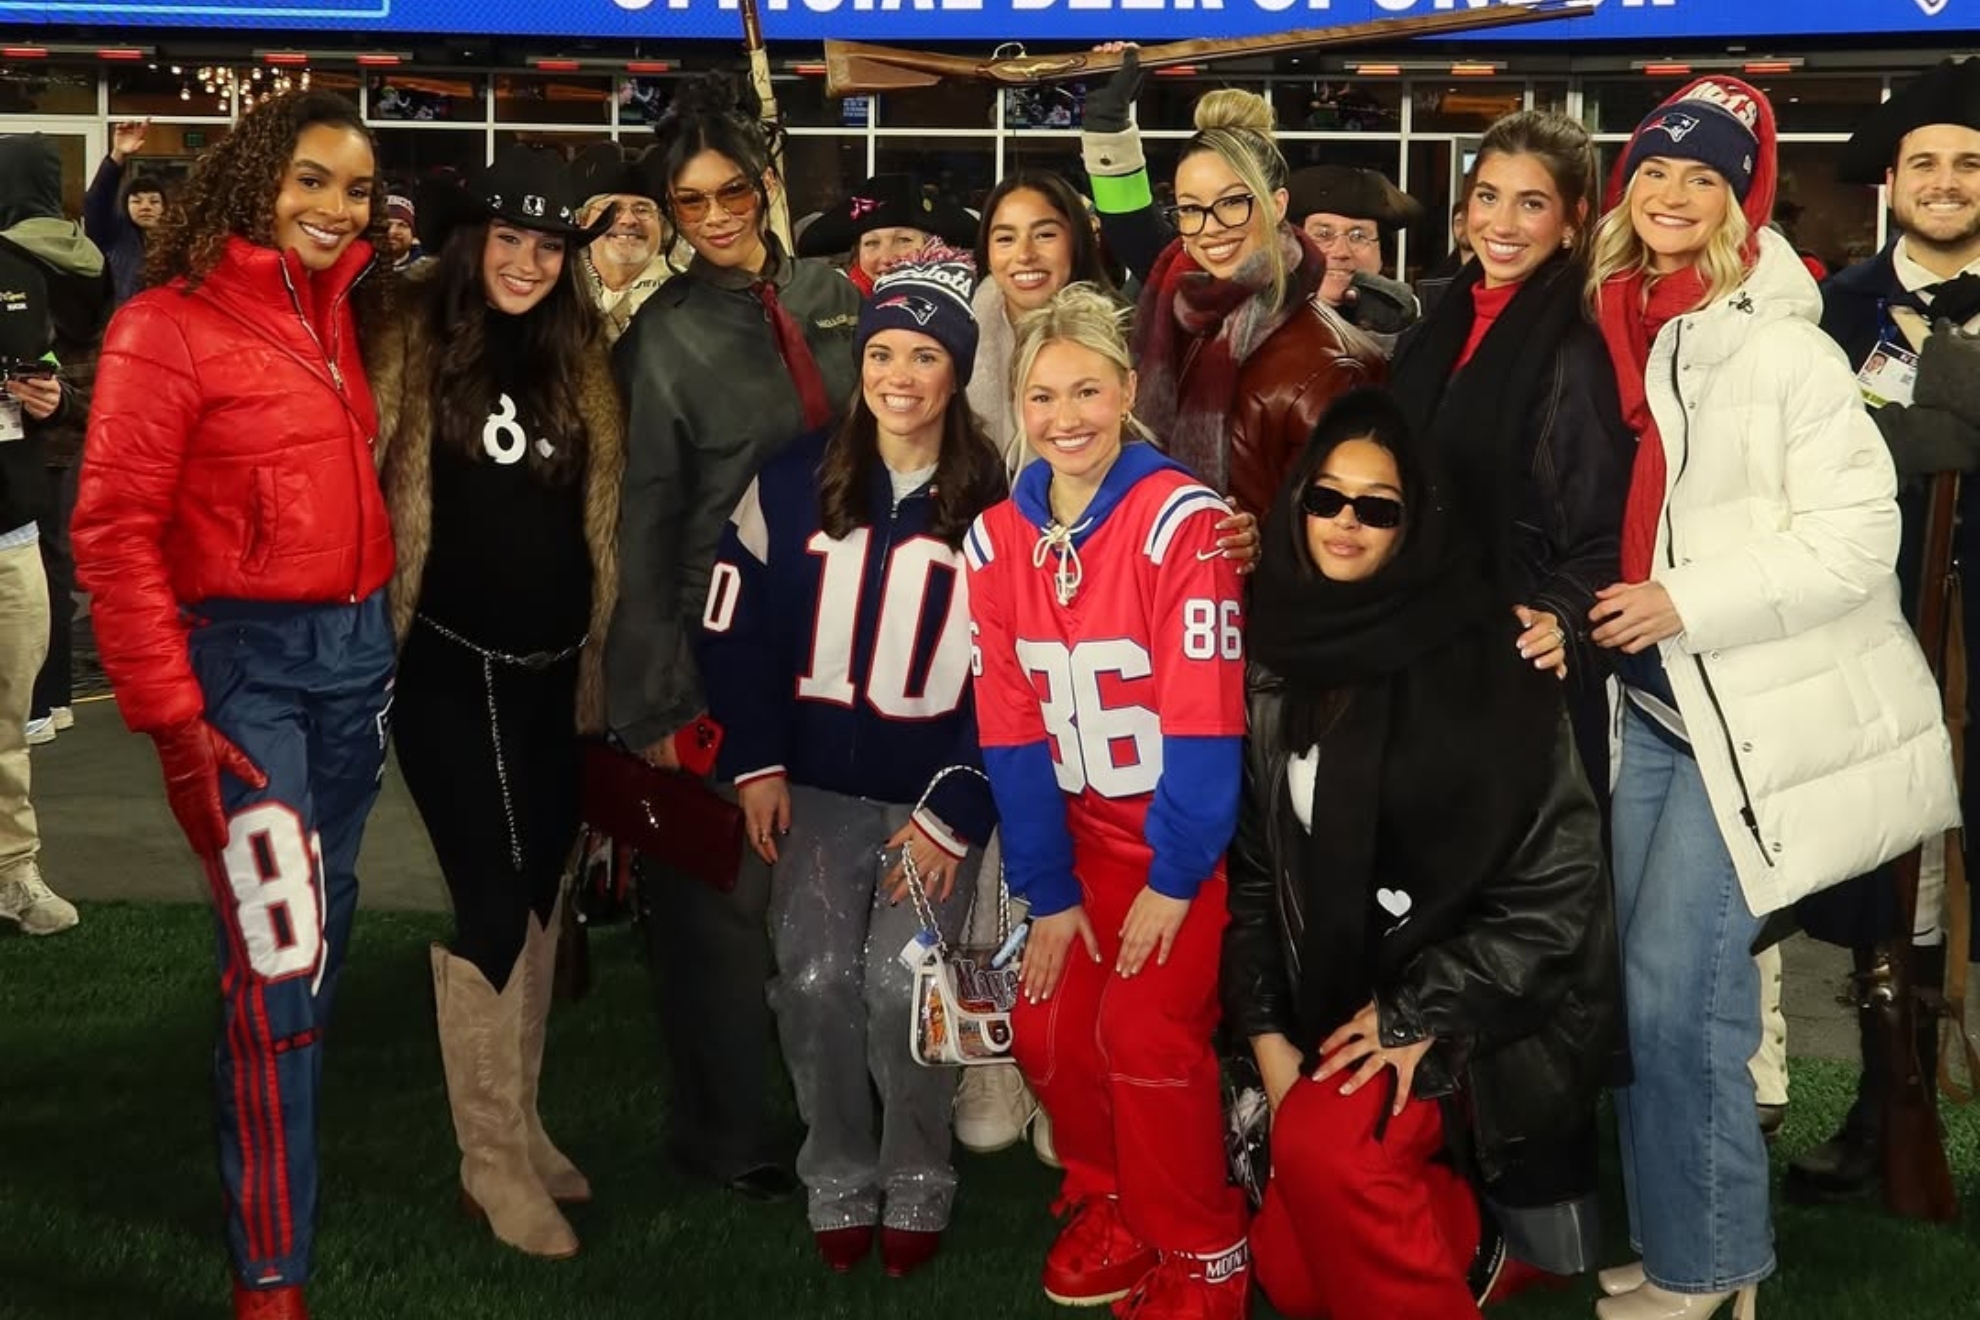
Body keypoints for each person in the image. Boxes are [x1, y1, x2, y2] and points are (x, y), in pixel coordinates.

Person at [1586, 78, 1959, 1320]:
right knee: (1647, 991)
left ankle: (1706, 1268)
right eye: (1655, 169)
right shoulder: (1619, 322)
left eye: (1706, 176)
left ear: (1744, 199)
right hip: (1643, 700)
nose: (1675, 194)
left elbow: (1859, 538)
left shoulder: (1786, 342)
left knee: (1683, 993)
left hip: (1734, 706)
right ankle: (1699, 1241)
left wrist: (1690, 599)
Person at [71, 89, 396, 1320]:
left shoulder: (336, 315)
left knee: (324, 932)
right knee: (277, 955)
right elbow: (111, 532)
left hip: (353, 667)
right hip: (242, 675)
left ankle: (278, 1140)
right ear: (258, 177)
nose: (334, 207)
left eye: (356, 189)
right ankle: (273, 1268)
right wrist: (171, 712)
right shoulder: (167, 326)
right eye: (311, 178)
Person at [1224, 389, 1618, 1320]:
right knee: (1290, 1274)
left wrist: (1416, 1014)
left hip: (1485, 1018)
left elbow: (1557, 895)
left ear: (1416, 523)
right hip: (1325, 1002)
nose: (1345, 524)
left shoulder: (1496, 666)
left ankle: (1426, 1210)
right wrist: (1273, 1051)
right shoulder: (1275, 650)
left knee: (1328, 1154)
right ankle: (1465, 1240)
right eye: (1326, 498)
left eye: (1378, 506)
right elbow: (1251, 876)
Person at [700, 252, 1004, 1278]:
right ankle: (836, 1168)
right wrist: (756, 763)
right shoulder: (792, 478)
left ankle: (919, 1172)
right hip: (819, 788)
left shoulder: (1000, 497)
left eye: (926, 354)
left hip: (932, 799)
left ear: (958, 371)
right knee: (821, 977)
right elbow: (734, 635)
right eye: (882, 351)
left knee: (897, 988)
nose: (901, 374)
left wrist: (958, 800)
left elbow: (1015, 673)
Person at [968, 283, 1250, 1318]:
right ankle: (1113, 1197)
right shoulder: (998, 541)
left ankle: (1204, 1248)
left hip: (1180, 846)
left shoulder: (1183, 520)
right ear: (1018, 402)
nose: (1066, 416)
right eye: (1043, 396)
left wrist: (1177, 876)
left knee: (1142, 1032)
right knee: (1043, 1023)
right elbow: (1009, 730)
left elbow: (1206, 720)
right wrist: (1045, 886)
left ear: (1128, 390)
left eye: (1089, 389)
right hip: (1080, 841)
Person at [607, 72, 859, 1203]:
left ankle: (841, 1111)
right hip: (719, 640)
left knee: (827, 891)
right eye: (687, 200)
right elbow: (644, 526)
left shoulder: (834, 294)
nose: (713, 218)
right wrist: (655, 704)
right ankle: (721, 1132)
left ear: (766, 185)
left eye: (730, 192)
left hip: (844, 634)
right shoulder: (660, 339)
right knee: (720, 908)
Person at [369, 145, 620, 1260]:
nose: (528, 261)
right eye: (509, 239)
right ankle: (487, 1159)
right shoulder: (411, 334)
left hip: (557, 671)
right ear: (472, 241)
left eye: (548, 244)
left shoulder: (579, 349)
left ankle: (519, 1125)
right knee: (489, 903)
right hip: (448, 666)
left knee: (539, 898)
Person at [1785, 54, 1980, 1205]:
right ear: (1891, 182)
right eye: (1927, 165)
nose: (1948, 183)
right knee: (1891, 876)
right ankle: (1882, 1107)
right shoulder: (1837, 311)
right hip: (1882, 633)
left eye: (1969, 165)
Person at [1388, 110, 1632, 805]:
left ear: (1573, 219)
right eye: (1489, 196)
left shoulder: (1578, 349)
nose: (1502, 222)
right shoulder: (1437, 319)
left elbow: (1606, 531)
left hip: (1513, 666)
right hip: (1418, 642)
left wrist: (1560, 616)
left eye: (1533, 203)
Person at [1129, 88, 1383, 519]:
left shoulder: (1334, 364)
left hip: (1254, 584)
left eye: (1232, 203)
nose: (1211, 228)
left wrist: (1257, 544)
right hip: (1163, 574)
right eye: (1191, 209)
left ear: (1278, 204)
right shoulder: (1172, 319)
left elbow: (1340, 533)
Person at [0, 131, 105, 935]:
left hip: (12, 531)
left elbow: (64, 378)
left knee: (8, 723)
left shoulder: (28, 273)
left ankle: (12, 874)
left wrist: (53, 402)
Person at [1283, 164, 1424, 342]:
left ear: (1381, 255)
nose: (1341, 252)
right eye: (1324, 235)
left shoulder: (1417, 330)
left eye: (1358, 236)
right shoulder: (1258, 332)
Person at [797, 173, 978, 295]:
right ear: (856, 254)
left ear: (933, 247)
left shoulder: (968, 305)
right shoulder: (828, 307)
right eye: (871, 243)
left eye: (903, 240)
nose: (886, 257)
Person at [570, 141, 675, 344]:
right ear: (583, 221)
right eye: (612, 208)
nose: (628, 220)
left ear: (662, 225)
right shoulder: (557, 288)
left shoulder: (690, 293)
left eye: (642, 209)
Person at [83, 118, 165, 307]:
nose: (145, 207)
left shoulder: (177, 242)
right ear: (125, 206)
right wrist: (118, 155)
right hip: (124, 323)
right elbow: (96, 202)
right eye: (136, 201)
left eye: (154, 201)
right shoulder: (114, 236)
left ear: (165, 208)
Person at [380, 189, 426, 273]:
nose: (392, 231)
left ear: (413, 233)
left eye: (402, 225)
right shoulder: (361, 268)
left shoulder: (427, 272)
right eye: (387, 224)